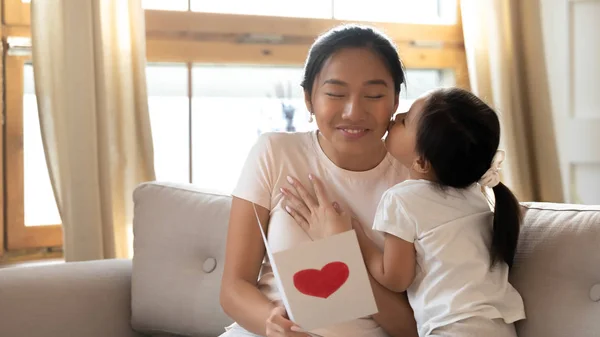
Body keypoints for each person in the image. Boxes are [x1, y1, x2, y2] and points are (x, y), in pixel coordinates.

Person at [219, 24, 419, 337]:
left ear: (395, 102)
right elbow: (234, 287)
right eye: (336, 94)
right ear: (309, 99)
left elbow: (412, 327)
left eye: (374, 95)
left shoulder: (415, 181)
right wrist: (270, 321)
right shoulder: (275, 153)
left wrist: (342, 250)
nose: (353, 111)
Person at [282, 87, 526, 337]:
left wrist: (354, 237)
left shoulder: (402, 199)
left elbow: (395, 278)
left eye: (405, 120)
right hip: (500, 327)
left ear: (421, 162)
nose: (395, 118)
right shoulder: (477, 197)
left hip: (451, 329)